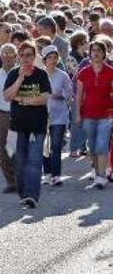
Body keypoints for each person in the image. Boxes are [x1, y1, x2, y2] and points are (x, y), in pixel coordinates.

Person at [4, 41, 51, 208]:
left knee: (35, 160)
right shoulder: (13, 74)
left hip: (37, 125)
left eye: (29, 55)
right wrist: (20, 79)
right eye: (22, 55)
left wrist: (23, 99)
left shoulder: (41, 75)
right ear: (18, 56)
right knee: (19, 161)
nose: (26, 58)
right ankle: (24, 193)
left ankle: (32, 195)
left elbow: (44, 98)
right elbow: (7, 96)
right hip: (18, 125)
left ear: (34, 56)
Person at [74, 40, 113, 189]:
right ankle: (97, 172)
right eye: (93, 50)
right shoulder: (84, 72)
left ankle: (102, 176)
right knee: (92, 146)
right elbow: (79, 95)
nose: (95, 53)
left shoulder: (110, 71)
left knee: (102, 145)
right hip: (88, 114)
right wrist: (77, 114)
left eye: (98, 50)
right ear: (89, 53)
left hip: (106, 115)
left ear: (104, 53)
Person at [41, 46, 71, 187]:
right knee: (45, 146)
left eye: (55, 57)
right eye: (50, 58)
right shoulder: (40, 75)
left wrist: (60, 95)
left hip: (59, 115)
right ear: (44, 60)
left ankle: (56, 175)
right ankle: (47, 173)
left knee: (56, 145)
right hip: (42, 115)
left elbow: (70, 94)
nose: (53, 60)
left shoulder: (63, 75)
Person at [0, 44, 19, 193]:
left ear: (16, 56)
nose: (7, 57)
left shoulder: (22, 73)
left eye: (11, 54)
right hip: (1, 114)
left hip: (18, 113)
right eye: (4, 54)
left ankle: (21, 178)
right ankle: (10, 181)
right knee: (3, 148)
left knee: (18, 147)